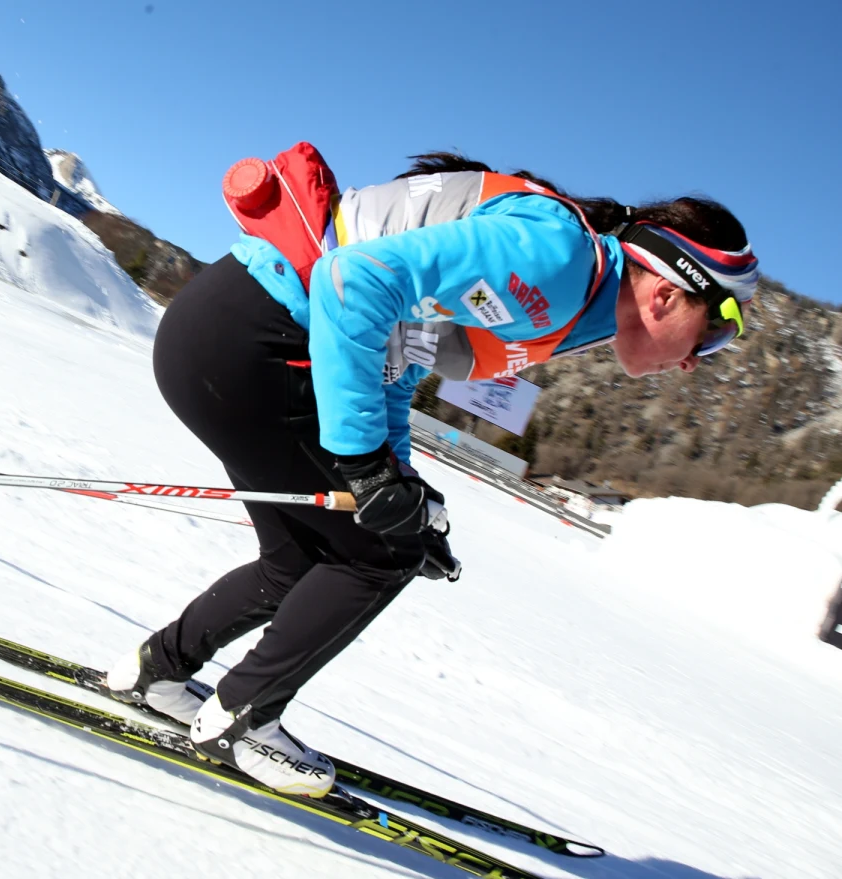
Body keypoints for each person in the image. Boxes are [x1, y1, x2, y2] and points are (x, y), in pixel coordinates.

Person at [105, 146, 761, 797]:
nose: (696, 361)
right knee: (377, 553)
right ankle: (242, 718)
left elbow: (401, 352)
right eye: (718, 334)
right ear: (671, 293)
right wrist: (365, 467)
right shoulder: (560, 261)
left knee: (305, 557)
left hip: (226, 334)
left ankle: (155, 672)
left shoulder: (579, 301)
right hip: (253, 341)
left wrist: (396, 479)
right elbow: (350, 283)